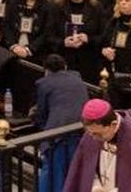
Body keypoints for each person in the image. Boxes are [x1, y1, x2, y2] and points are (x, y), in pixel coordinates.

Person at [63, 98, 131, 192]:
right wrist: (95, 186)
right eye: (90, 133)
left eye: (98, 134)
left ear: (113, 124)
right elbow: (84, 174)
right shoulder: (91, 135)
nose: (93, 138)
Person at [34, 54, 90, 192]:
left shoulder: (44, 83)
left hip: (57, 132)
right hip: (81, 127)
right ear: (65, 67)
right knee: (73, 168)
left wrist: (42, 128)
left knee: (52, 169)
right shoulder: (77, 77)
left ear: (46, 70)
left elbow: (41, 112)